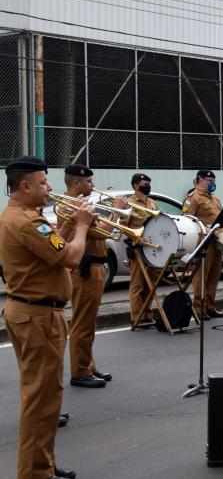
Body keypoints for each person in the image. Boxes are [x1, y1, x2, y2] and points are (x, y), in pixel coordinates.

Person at [2, 156, 96, 479]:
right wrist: (82, 225)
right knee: (41, 402)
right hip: (39, 317)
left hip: (30, 313)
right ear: (25, 186)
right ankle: (34, 473)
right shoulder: (29, 222)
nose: (49, 188)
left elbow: (50, 252)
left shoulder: (20, 217)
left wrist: (67, 225)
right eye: (43, 183)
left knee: (43, 398)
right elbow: (70, 257)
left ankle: (42, 464)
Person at [61, 164, 121, 389]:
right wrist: (116, 211)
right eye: (88, 181)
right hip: (84, 270)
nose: (92, 185)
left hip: (95, 267)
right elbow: (101, 232)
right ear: (75, 183)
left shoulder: (82, 205)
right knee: (82, 323)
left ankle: (87, 364)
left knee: (89, 322)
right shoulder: (68, 206)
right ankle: (80, 371)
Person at [183, 170, 223, 320]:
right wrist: (204, 229)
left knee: (214, 275)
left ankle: (210, 307)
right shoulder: (192, 198)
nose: (212, 183)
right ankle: (198, 309)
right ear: (199, 180)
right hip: (202, 242)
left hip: (217, 241)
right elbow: (187, 220)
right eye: (209, 180)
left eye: (213, 180)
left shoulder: (215, 199)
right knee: (201, 276)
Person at [126, 172, 159, 328]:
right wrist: (136, 239)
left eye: (148, 184)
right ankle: (136, 317)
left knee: (150, 283)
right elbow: (123, 226)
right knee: (137, 284)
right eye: (144, 184)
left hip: (151, 248)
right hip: (138, 247)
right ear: (135, 186)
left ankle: (147, 314)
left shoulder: (152, 203)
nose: (148, 187)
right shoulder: (129, 203)